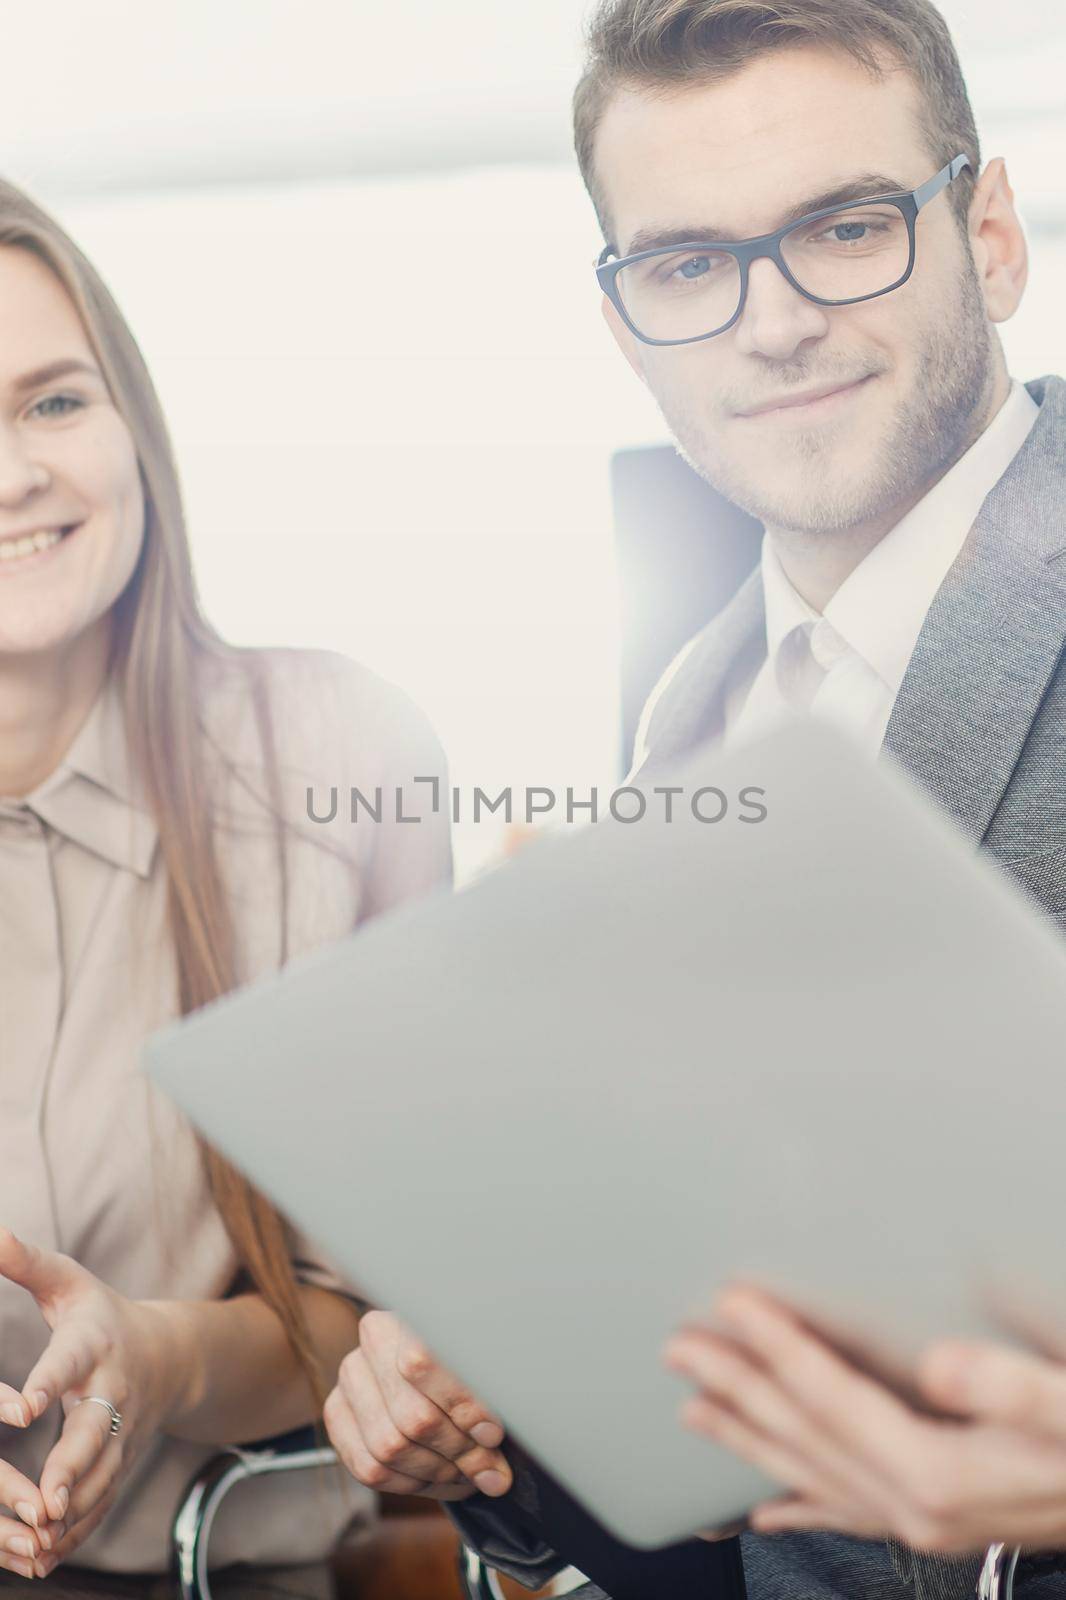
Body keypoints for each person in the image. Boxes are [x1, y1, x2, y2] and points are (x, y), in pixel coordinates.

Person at [321, 0, 1066, 1596]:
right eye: (685, 265)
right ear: (625, 325)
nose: (770, 321)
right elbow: (723, 1455)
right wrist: (498, 1412)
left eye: (846, 227)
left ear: (988, 235)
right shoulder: (681, 732)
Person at [0, 177, 450, 1585]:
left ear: (134, 424)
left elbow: (390, 1315)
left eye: (53, 401)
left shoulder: (342, 751)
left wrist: (159, 1352)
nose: (15, 470)